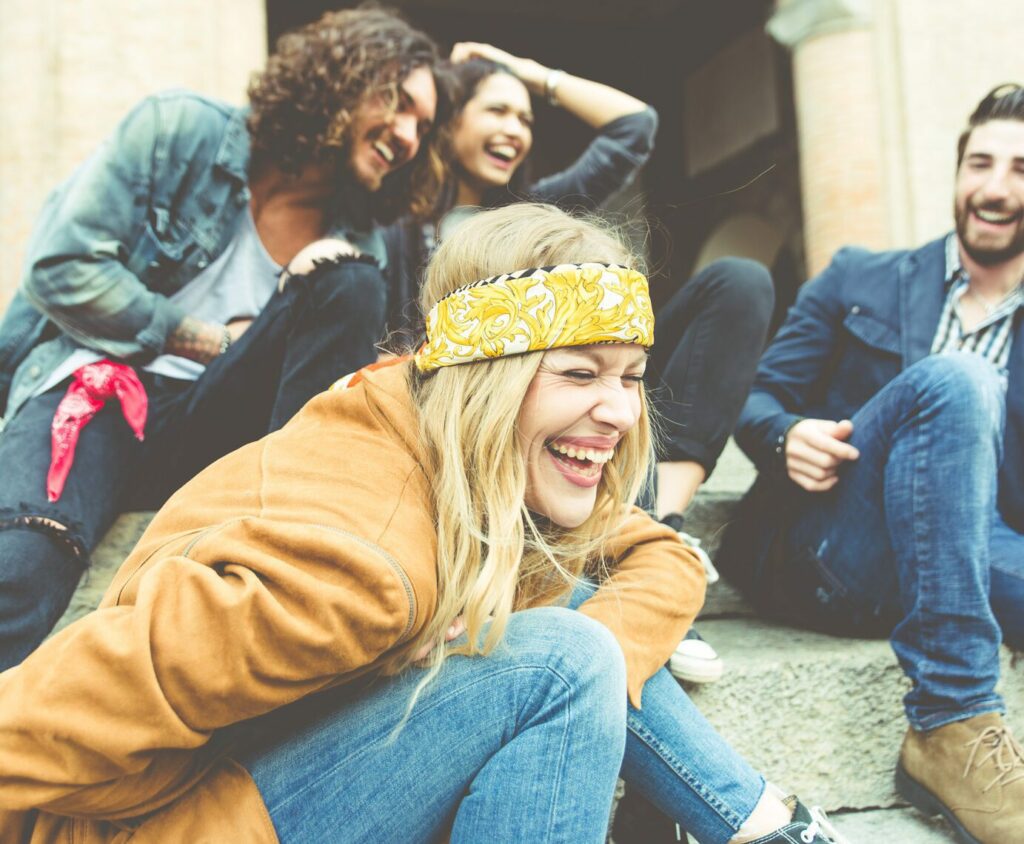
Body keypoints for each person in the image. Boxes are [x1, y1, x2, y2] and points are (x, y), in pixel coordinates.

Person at [0, 205, 844, 844]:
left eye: (631, 376)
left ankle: (763, 827)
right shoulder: (358, 571)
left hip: (265, 775)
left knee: (571, 620)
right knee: (562, 659)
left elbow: (661, 553)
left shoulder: (441, 430)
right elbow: (53, 711)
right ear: (487, 379)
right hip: (175, 825)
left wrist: (582, 660)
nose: (621, 411)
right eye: (581, 373)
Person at [0, 7, 449, 669]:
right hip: (102, 390)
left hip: (218, 434)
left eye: (423, 125)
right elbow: (61, 267)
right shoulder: (180, 129)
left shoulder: (356, 246)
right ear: (343, 76)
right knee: (24, 562)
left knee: (350, 280)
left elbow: (333, 392)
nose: (409, 135)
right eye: (398, 101)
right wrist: (210, 340)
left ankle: (295, 539)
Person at [381, 42, 775, 685]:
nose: (515, 129)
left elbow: (634, 126)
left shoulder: (538, 208)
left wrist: (529, 72)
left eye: (525, 118)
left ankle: (659, 524)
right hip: (474, 423)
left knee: (740, 284)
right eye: (496, 110)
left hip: (579, 387)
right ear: (447, 121)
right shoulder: (397, 224)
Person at [717, 83, 1024, 844]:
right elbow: (752, 394)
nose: (995, 187)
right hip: (836, 543)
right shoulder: (860, 276)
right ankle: (951, 718)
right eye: (981, 163)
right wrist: (786, 434)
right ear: (956, 172)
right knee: (961, 381)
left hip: (974, 551)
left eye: (1021, 169)